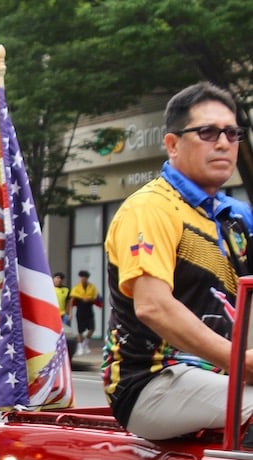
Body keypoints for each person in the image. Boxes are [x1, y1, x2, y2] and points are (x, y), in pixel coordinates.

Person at [104, 81, 253, 441]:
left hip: (220, 377)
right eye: (207, 132)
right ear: (172, 144)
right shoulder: (150, 207)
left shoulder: (236, 216)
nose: (223, 142)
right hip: (152, 381)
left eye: (232, 133)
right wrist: (242, 363)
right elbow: (153, 307)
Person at [67, 270, 99, 355]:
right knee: (80, 331)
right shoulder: (77, 288)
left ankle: (85, 343)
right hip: (80, 310)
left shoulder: (92, 287)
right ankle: (80, 346)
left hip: (89, 309)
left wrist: (89, 299)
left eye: (85, 277)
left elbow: (95, 298)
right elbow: (72, 300)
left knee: (92, 329)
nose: (83, 279)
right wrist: (70, 313)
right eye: (82, 277)